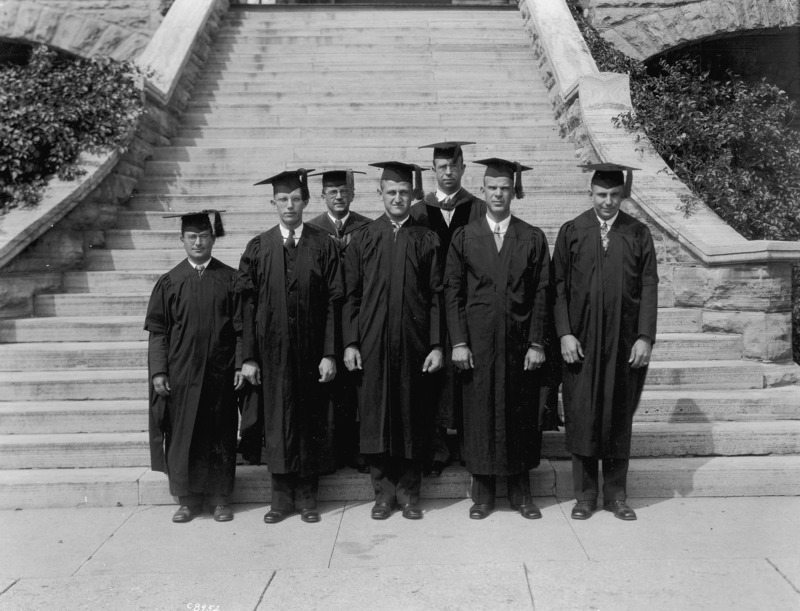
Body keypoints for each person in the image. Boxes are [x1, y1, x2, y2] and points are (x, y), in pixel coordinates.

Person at [445, 158, 550, 520]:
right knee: (480, 417)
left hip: (519, 346)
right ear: (484, 190)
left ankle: (522, 493)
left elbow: (542, 293)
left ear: (513, 191)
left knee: (518, 415)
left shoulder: (532, 237)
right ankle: (484, 494)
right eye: (492, 188)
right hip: (478, 347)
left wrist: (537, 342)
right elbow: (453, 293)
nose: (499, 194)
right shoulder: (465, 236)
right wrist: (458, 341)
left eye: (505, 188)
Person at [552, 163, 658, 521]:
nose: (608, 201)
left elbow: (648, 285)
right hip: (580, 343)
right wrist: (564, 332)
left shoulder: (638, 232)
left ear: (622, 195)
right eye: (601, 195)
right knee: (582, 415)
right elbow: (559, 287)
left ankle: (616, 495)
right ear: (591, 193)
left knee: (616, 416)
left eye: (614, 195)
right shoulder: (572, 231)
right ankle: (584, 496)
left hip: (623, 342)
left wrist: (645, 336)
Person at [238, 168, 343, 524]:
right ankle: (281, 498)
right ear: (273, 203)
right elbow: (246, 306)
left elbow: (334, 301)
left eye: (296, 199)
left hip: (312, 352)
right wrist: (248, 356)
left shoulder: (323, 243)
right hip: (273, 354)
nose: (289, 205)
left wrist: (330, 351)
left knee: (309, 420)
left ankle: (308, 497)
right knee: (278, 421)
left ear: (306, 202)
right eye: (283, 199)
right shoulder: (259, 247)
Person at [342, 161, 444, 520]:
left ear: (413, 194)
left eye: (404, 192)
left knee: (411, 416)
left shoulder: (427, 238)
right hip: (373, 346)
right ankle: (383, 493)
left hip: (416, 346)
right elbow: (351, 295)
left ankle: (409, 493)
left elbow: (436, 296)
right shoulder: (364, 238)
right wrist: (351, 342)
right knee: (376, 418)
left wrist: (435, 345)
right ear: (380, 194)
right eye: (391, 192)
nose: (398, 198)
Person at [145, 210, 243, 523]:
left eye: (203, 236)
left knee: (219, 434)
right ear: (182, 240)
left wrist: (240, 364)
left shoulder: (230, 279)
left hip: (220, 372)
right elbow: (158, 332)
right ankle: (187, 500)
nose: (198, 242)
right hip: (181, 374)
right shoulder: (170, 282)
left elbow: (242, 329)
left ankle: (219, 499)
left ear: (213, 238)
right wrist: (159, 370)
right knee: (183, 435)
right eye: (192, 237)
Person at [411, 141, 486, 477]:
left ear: (463, 169)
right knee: (434, 380)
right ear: (433, 171)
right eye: (441, 167)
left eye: (453, 166)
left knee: (468, 376)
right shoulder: (417, 211)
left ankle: (470, 448)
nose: (448, 173)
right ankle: (439, 450)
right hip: (429, 306)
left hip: (469, 307)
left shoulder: (479, 208)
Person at [307, 169, 371, 473]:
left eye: (344, 190)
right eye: (332, 192)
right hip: (327, 315)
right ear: (322, 196)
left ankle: (358, 450)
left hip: (358, 315)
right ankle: (332, 450)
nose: (339, 196)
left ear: (353, 193)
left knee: (357, 386)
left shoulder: (368, 228)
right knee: (332, 390)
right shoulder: (311, 230)